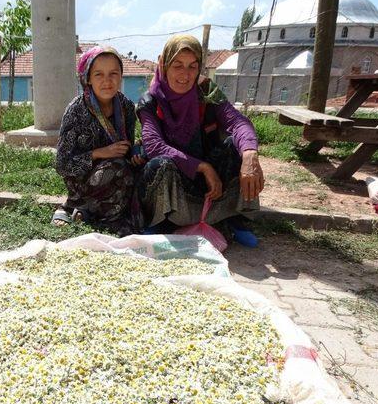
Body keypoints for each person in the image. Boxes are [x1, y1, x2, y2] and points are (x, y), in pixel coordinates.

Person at [136, 35, 264, 246]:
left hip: (210, 185)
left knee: (237, 146)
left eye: (192, 67)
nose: (185, 75)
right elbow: (154, 146)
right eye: (177, 65)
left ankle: (234, 219)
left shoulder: (207, 92)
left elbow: (238, 122)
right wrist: (202, 167)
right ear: (163, 64)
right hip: (179, 178)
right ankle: (158, 223)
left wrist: (250, 153)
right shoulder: (150, 102)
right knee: (159, 165)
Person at [52, 46, 144, 237]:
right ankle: (75, 206)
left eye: (113, 74)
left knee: (141, 170)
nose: (107, 81)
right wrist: (100, 153)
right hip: (83, 183)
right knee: (117, 167)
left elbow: (125, 149)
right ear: (88, 79)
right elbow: (62, 165)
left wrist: (135, 153)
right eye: (99, 74)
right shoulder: (76, 110)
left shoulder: (125, 106)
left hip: (118, 174)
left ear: (121, 76)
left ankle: (87, 214)